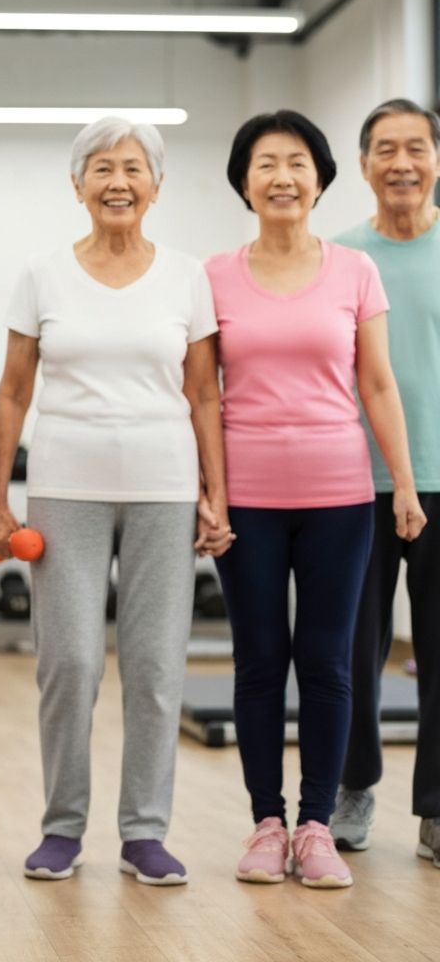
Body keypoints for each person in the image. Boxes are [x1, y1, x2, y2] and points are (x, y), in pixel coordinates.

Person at [0, 116, 232, 887]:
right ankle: (62, 827)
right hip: (65, 488)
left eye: (133, 167)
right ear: (77, 184)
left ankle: (144, 832)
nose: (118, 180)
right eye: (101, 167)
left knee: (157, 669)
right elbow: (13, 389)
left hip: (163, 488)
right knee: (70, 663)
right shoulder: (42, 273)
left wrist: (215, 494)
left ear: (156, 185)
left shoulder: (188, 276)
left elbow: (203, 395)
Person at [206, 110, 427, 889]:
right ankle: (267, 823)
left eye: (297, 162)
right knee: (261, 661)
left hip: (341, 495)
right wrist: (213, 496)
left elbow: (377, 383)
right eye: (266, 163)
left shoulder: (353, 272)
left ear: (321, 177)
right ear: (244, 181)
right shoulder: (216, 275)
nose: (283, 177)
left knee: (331, 662)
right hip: (249, 501)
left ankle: (318, 827)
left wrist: (401, 482)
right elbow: (203, 395)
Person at [329, 98, 440, 869]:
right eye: (385, 149)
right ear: (364, 163)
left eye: (416, 147)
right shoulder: (340, 258)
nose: (402, 162)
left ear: (436, 157)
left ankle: (437, 808)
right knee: (349, 652)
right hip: (351, 482)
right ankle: (354, 785)